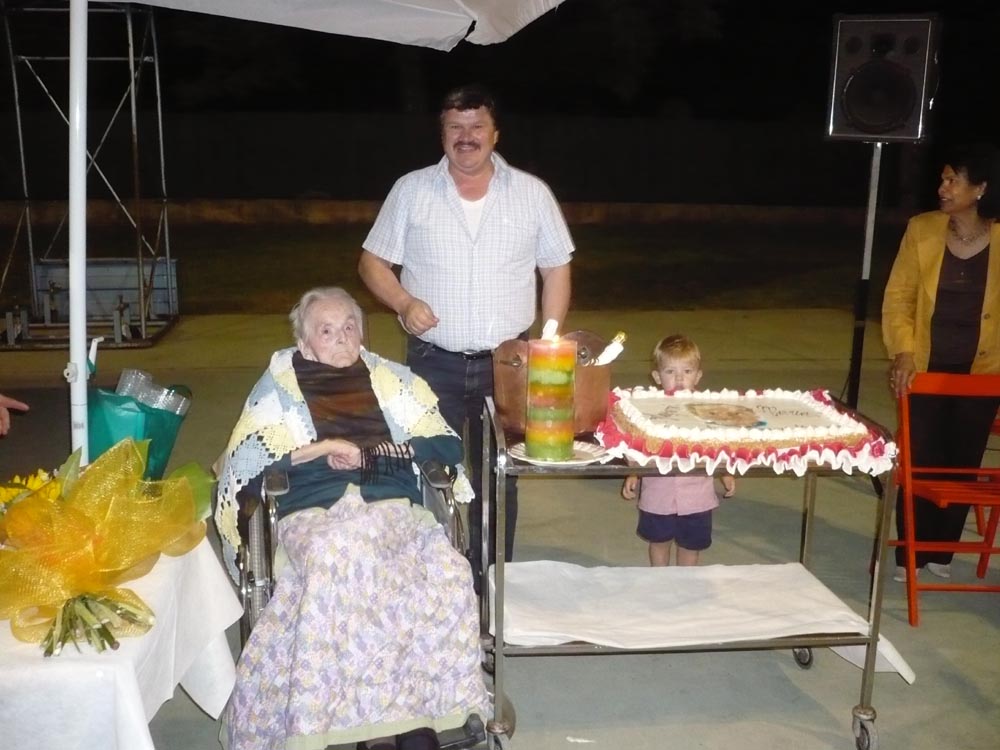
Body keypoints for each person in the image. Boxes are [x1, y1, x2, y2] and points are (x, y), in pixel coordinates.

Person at [214, 287, 485, 750]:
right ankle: (379, 728)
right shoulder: (277, 392)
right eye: (326, 331)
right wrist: (319, 449)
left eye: (349, 327)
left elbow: (446, 445)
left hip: (391, 503)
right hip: (313, 509)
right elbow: (245, 474)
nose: (341, 338)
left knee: (447, 570)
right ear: (304, 344)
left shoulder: (394, 381)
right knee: (341, 556)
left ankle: (413, 719)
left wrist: (376, 453)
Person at [358, 83, 574, 583]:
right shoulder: (412, 190)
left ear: (496, 134)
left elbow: (556, 267)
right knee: (433, 470)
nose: (466, 136)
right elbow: (371, 262)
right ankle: (437, 581)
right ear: (442, 134)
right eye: (455, 127)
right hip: (433, 362)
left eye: (477, 126)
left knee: (501, 474)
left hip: (510, 365)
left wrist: (550, 339)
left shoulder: (532, 193)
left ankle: (492, 583)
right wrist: (404, 302)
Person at [883, 143, 1000, 582]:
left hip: (983, 374)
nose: (943, 188)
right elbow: (899, 297)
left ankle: (942, 552)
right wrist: (903, 351)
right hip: (925, 368)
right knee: (920, 461)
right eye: (943, 179)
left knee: (962, 462)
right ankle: (910, 554)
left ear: (981, 188)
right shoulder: (922, 229)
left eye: (953, 180)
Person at [620, 335, 735, 566]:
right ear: (657, 377)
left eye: (687, 371)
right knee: (659, 543)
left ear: (698, 376)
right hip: (658, 494)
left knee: (690, 546)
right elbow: (640, 444)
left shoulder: (707, 412)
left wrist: (725, 471)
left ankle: (686, 581)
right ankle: (661, 579)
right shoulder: (648, 410)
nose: (680, 378)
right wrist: (633, 472)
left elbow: (717, 445)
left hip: (697, 497)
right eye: (670, 371)